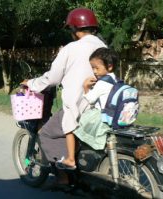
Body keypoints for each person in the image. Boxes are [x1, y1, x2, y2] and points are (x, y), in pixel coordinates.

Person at [21, 8, 106, 173]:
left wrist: (31, 83)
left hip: (79, 105)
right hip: (100, 106)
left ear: (74, 29)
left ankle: (63, 176)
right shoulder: (103, 46)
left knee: (46, 133)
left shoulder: (71, 48)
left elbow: (52, 78)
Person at [69, 47, 119, 151]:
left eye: (97, 68)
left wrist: (86, 87)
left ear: (109, 67)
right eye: (92, 68)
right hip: (114, 116)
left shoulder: (102, 83)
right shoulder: (116, 80)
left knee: (76, 125)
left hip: (101, 116)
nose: (94, 71)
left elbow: (90, 99)